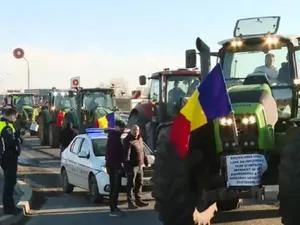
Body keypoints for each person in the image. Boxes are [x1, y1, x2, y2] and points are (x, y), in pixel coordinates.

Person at [0, 108, 22, 214]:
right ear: (11, 115)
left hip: (6, 157)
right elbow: (10, 142)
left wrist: (17, 134)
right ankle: (8, 207)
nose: (15, 119)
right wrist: (18, 139)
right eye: (15, 117)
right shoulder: (6, 126)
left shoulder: (5, 124)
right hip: (8, 157)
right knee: (10, 182)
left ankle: (10, 205)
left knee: (11, 182)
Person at [123, 125, 149, 209]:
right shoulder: (128, 140)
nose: (135, 132)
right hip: (131, 166)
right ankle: (130, 202)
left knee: (139, 183)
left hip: (139, 165)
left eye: (137, 130)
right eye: (134, 130)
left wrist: (146, 161)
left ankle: (139, 200)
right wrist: (127, 166)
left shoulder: (140, 139)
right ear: (131, 131)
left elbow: (143, 151)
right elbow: (127, 154)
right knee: (131, 184)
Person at [105, 120, 126, 217]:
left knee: (116, 187)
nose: (123, 129)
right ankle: (113, 206)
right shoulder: (114, 138)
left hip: (115, 165)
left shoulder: (115, 137)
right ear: (116, 127)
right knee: (114, 186)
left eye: (123, 128)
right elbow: (113, 154)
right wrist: (118, 165)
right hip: (114, 166)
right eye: (121, 127)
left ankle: (114, 205)